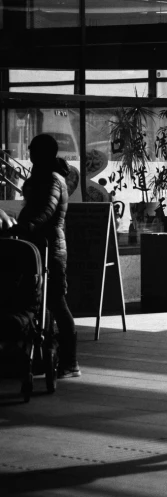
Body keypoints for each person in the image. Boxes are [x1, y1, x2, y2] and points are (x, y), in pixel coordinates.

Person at [16, 134, 80, 379]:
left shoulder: (53, 179)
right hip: (39, 244)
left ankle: (70, 362)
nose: (30, 153)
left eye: (33, 149)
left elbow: (46, 209)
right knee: (43, 303)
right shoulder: (44, 176)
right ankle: (48, 358)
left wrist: (28, 226)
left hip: (49, 247)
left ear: (43, 153)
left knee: (56, 302)